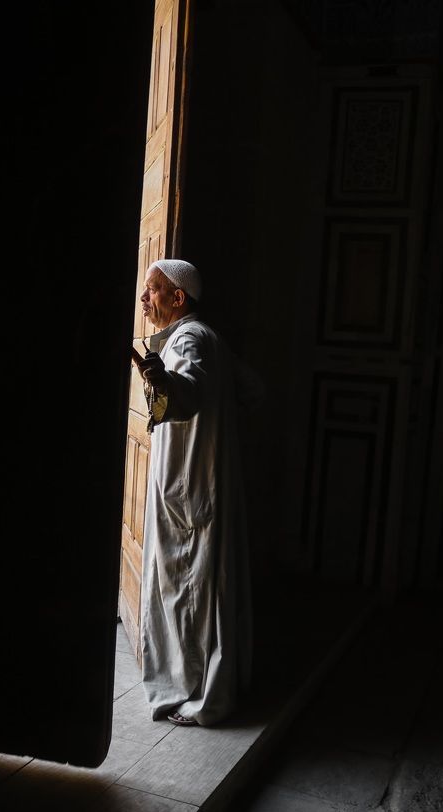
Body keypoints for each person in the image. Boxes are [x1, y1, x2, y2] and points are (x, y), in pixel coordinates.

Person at [131, 259, 262, 726]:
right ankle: (203, 682)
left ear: (178, 297)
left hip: (190, 484)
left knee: (188, 586)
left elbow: (184, 393)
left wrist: (161, 378)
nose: (145, 300)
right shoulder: (210, 338)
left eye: (152, 291)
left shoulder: (188, 338)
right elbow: (252, 389)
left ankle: (192, 691)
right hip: (200, 474)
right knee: (200, 585)